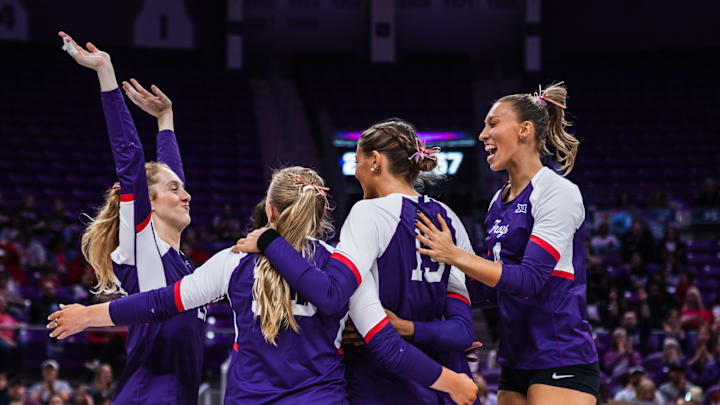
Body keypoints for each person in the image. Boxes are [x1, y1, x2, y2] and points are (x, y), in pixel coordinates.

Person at [48, 167, 478, 404]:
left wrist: (89, 315)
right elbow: (386, 345)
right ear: (319, 211)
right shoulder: (345, 267)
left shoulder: (235, 261)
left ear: (269, 211)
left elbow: (161, 303)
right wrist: (449, 380)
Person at [234, 119, 478, 404]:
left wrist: (269, 241)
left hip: (382, 384)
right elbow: (462, 334)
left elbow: (331, 295)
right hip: (440, 384)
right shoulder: (449, 218)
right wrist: (412, 328)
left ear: (375, 161)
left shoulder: (367, 213)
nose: (356, 171)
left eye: (357, 161)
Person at [412, 83, 600, 405]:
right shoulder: (498, 202)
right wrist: (442, 320)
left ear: (525, 130)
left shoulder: (558, 192)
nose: (483, 134)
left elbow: (530, 280)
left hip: (560, 356)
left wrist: (454, 254)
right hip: (514, 359)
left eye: (493, 123)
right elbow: (488, 290)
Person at [58, 31, 205, 405]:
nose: (186, 195)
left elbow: (168, 176)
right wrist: (106, 74)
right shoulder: (141, 248)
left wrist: (166, 120)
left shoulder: (182, 264)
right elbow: (131, 163)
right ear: (149, 203)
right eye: (174, 191)